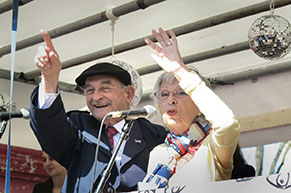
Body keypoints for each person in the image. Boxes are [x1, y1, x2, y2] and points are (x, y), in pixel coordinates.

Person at [30, 30, 167, 193]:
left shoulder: (156, 135)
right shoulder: (79, 128)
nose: (96, 97)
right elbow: (49, 128)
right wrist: (49, 79)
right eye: (89, 90)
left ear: (129, 93)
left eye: (105, 88)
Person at [138, 28, 241, 190]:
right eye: (164, 94)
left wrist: (179, 71)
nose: (171, 100)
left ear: (199, 104)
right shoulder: (159, 152)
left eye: (181, 93)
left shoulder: (213, 143)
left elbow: (227, 122)